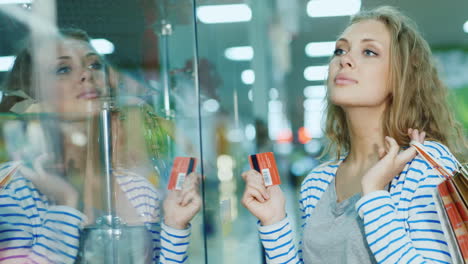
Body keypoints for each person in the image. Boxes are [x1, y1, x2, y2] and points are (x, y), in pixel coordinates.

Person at [241, 6, 466, 264]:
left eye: (369, 51)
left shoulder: (425, 165)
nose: (344, 60)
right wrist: (273, 222)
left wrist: (374, 193)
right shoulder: (317, 183)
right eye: (340, 50)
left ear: (401, 76)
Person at [0, 28, 201, 264]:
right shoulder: (13, 191)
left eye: (94, 65)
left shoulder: (138, 190)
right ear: (33, 95)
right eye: (63, 69)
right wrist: (65, 203)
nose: (87, 74)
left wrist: (175, 227)